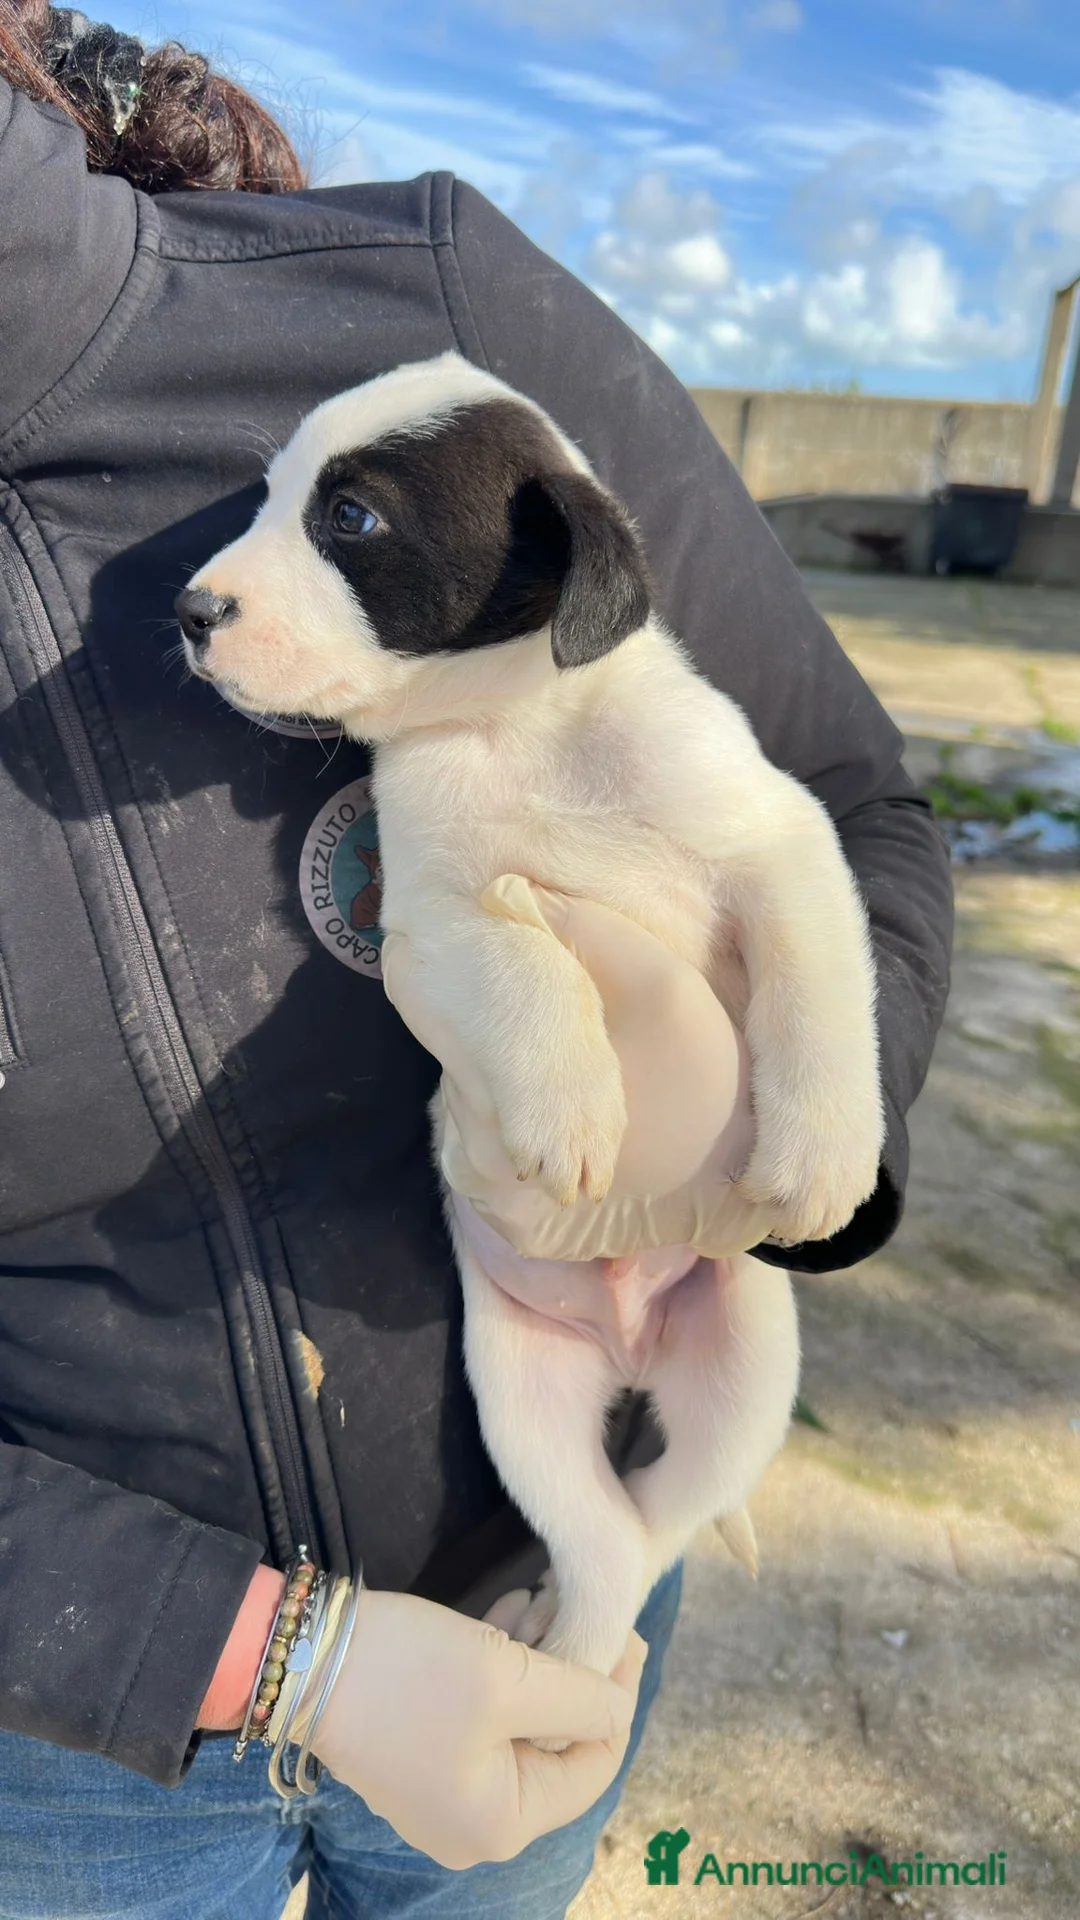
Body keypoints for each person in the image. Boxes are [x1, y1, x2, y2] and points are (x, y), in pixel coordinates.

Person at [0, 3, 954, 1915]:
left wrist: (789, 1136)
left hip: (525, 1602)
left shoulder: (413, 309)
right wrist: (278, 1657)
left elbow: (840, 819)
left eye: (318, 516)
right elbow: (454, 922)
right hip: (79, 1735)